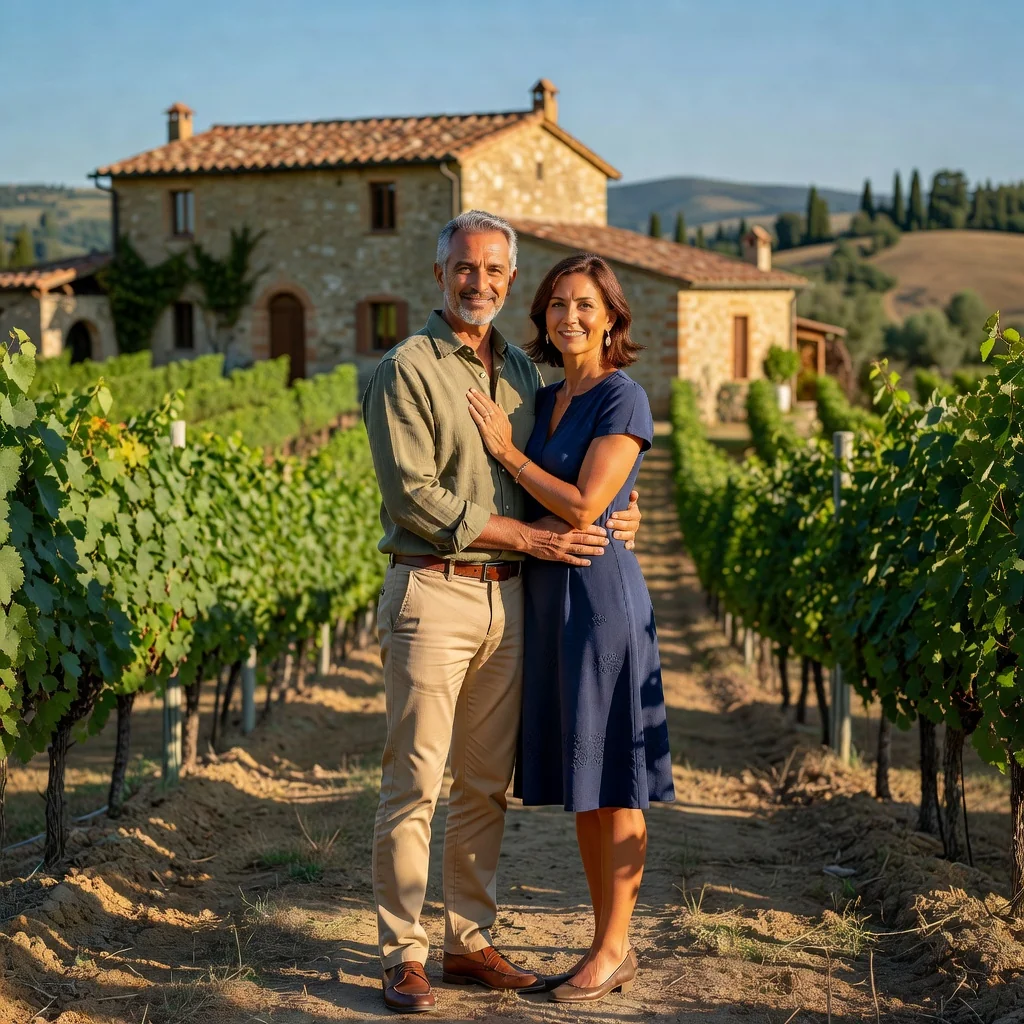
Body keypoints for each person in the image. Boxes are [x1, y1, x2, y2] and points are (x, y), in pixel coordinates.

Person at [361, 211, 643, 1013]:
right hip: (434, 591)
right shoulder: (407, 368)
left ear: (510, 281)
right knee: (414, 779)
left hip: (510, 599)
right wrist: (529, 534)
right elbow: (413, 496)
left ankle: (468, 942)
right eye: (463, 266)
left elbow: (579, 468)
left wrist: (625, 509)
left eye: (493, 270)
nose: (477, 280)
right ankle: (403, 953)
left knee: (483, 784)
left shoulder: (526, 375)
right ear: (440, 271)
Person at [467, 251, 675, 1004]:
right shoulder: (546, 397)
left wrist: (507, 453)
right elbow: (544, 507)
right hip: (550, 601)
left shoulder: (623, 397)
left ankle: (614, 948)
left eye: (585, 305)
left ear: (612, 317)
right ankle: (603, 942)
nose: (570, 317)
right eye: (557, 305)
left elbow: (586, 507)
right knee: (588, 783)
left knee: (615, 778)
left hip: (600, 601)